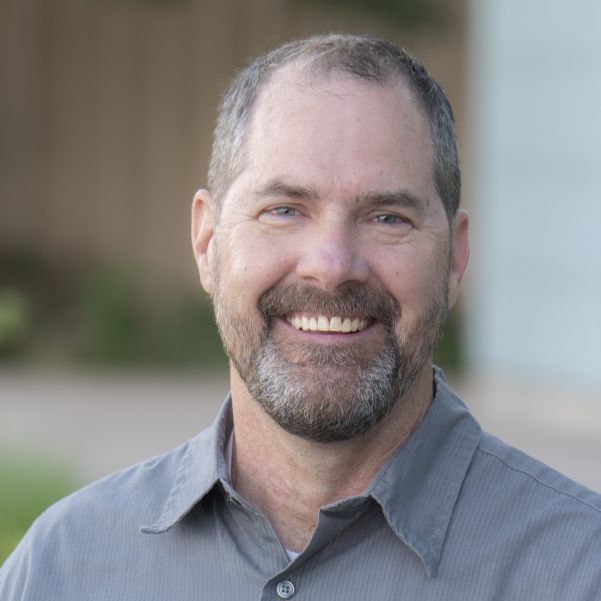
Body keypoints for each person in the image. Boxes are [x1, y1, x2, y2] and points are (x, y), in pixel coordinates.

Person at [1, 33, 600, 600]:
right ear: (207, 242)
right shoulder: (64, 565)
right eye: (284, 209)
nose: (332, 266)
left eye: (388, 217)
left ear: (455, 257)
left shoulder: (579, 569)